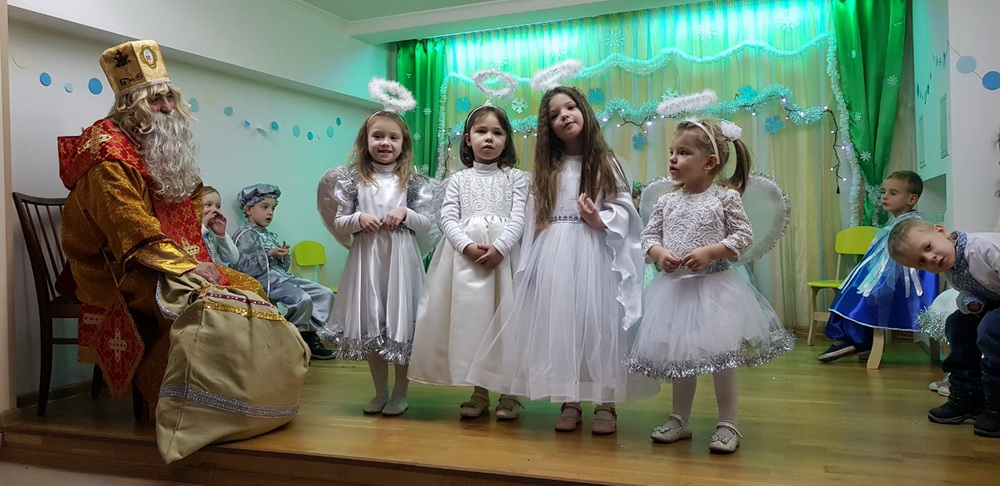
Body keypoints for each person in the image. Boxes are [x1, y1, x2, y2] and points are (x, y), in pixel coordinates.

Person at [59, 40, 263, 412]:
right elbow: (128, 224)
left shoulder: (152, 146)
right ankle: (178, 406)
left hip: (160, 257)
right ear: (129, 106)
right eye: (155, 100)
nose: (167, 107)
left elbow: (188, 200)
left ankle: (234, 400)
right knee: (193, 301)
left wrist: (194, 260)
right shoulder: (107, 156)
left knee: (248, 287)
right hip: (116, 266)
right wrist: (185, 265)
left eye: (170, 97)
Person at [466, 86, 657, 435]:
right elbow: (533, 216)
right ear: (548, 126)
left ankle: (605, 400)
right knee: (562, 324)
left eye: (570, 108)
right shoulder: (548, 168)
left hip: (594, 252)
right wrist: (529, 262)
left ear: (583, 111)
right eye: (554, 115)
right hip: (554, 251)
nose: (564, 116)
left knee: (596, 323)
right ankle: (570, 399)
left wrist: (599, 218)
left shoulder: (606, 163)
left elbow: (625, 210)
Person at [625, 118, 794, 454]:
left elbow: (743, 236)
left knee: (722, 361)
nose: (673, 158)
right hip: (674, 292)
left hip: (716, 291)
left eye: (683, 152)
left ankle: (728, 424)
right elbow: (648, 236)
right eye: (672, 152)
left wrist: (709, 252)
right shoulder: (666, 201)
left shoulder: (725, 198)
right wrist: (660, 253)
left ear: (710, 162)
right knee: (681, 359)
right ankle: (679, 419)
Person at [408, 104, 529, 420]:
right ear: (467, 139)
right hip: (465, 263)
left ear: (507, 139)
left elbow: (519, 216)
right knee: (474, 324)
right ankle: (479, 390)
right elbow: (447, 217)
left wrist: (501, 247)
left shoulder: (516, 178)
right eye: (481, 131)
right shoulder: (458, 180)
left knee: (505, 323)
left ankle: (509, 393)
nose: (489, 138)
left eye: (497, 132)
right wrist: (466, 246)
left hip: (505, 262)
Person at [317, 105, 434, 416]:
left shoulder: (414, 181)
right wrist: (358, 219)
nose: (385, 143)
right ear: (365, 141)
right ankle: (380, 392)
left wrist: (406, 213)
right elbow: (339, 222)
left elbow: (427, 224)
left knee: (400, 324)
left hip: (401, 260)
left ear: (403, 144)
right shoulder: (352, 180)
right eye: (378, 136)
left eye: (393, 137)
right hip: (367, 259)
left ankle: (401, 393)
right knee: (373, 323)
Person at [888, 218, 1000, 438]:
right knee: (957, 324)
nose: (931, 258)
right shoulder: (952, 266)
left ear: (941, 231)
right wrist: (971, 302)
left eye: (928, 247)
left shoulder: (982, 247)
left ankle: (997, 405)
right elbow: (972, 290)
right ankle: (969, 395)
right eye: (921, 262)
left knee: (991, 328)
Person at [818, 171, 940, 362]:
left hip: (905, 283)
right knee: (851, 287)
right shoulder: (895, 223)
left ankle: (858, 340)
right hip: (891, 276)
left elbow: (909, 264)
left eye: (893, 193)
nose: (885, 197)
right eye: (883, 192)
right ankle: (851, 338)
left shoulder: (912, 225)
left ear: (912, 199)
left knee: (863, 291)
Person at [232, 184, 335, 360]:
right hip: (265, 280)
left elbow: (282, 268)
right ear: (248, 209)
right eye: (264, 207)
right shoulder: (245, 235)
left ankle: (310, 335)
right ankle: (295, 339)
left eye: (273, 208)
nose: (270, 212)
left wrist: (282, 256)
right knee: (302, 299)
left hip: (282, 278)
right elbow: (242, 267)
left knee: (324, 293)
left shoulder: (269, 235)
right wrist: (268, 254)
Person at [201, 185, 239, 267]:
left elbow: (233, 259)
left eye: (218, 206)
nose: (215, 209)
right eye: (208, 205)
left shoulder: (212, 232)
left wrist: (221, 235)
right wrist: (203, 226)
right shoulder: (185, 231)